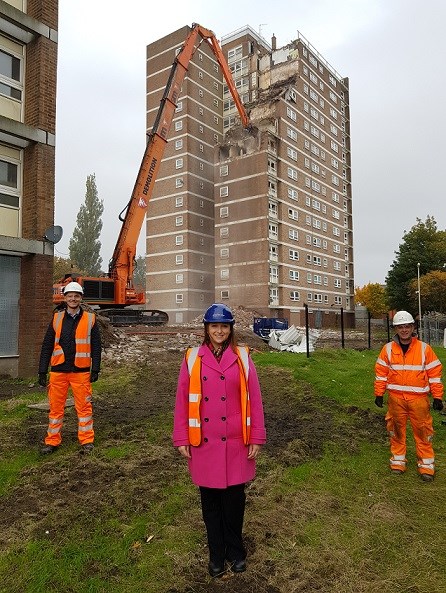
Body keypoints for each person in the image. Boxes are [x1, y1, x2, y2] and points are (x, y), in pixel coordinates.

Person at [173, 303, 266, 578]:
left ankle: (236, 552)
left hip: (236, 442)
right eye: (214, 326)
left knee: (234, 503)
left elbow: (256, 399)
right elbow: (181, 401)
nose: (219, 331)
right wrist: (181, 437)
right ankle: (216, 555)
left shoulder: (243, 358)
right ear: (206, 329)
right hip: (204, 443)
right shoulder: (192, 358)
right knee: (211, 505)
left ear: (230, 329)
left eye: (224, 326)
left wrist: (257, 436)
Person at [374, 310, 444, 482]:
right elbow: (381, 373)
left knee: (423, 432)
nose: (404, 330)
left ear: (413, 327)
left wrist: (437, 397)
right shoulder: (387, 349)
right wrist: (379, 393)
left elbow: (434, 374)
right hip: (396, 400)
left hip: (418, 401)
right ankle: (398, 461)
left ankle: (426, 465)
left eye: (407, 326)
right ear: (395, 329)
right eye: (400, 327)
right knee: (396, 431)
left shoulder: (424, 349)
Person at [38, 281, 101, 455]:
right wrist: (42, 371)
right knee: (55, 408)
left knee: (84, 408)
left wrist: (95, 369)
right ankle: (52, 441)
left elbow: (96, 346)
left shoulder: (91, 319)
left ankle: (87, 441)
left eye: (76, 296)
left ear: (81, 298)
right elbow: (46, 346)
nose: (73, 299)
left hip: (81, 372)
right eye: (70, 296)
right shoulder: (56, 318)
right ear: (64, 298)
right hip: (58, 371)